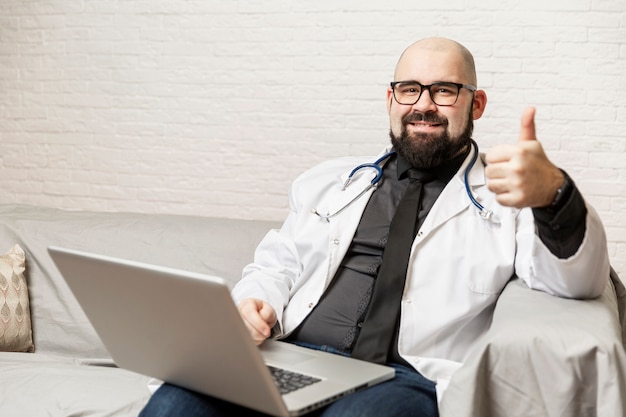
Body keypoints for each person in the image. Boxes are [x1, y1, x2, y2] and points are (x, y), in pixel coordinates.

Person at [139, 37, 609, 417]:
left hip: (402, 378)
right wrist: (254, 304)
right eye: (410, 89)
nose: (424, 104)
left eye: (445, 90)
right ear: (390, 99)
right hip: (292, 358)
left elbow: (578, 281)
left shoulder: (510, 197)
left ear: (476, 103)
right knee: (174, 404)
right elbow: (277, 264)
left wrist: (555, 194)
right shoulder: (330, 182)